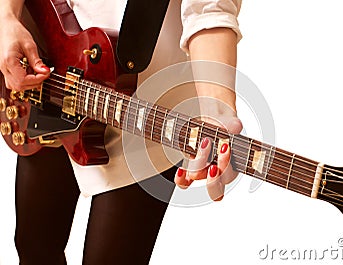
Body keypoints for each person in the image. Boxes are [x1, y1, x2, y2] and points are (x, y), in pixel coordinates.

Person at [0, 0, 243, 264]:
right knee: (33, 248)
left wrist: (216, 108)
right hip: (50, 65)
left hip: (143, 109)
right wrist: (7, 18)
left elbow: (209, 10)